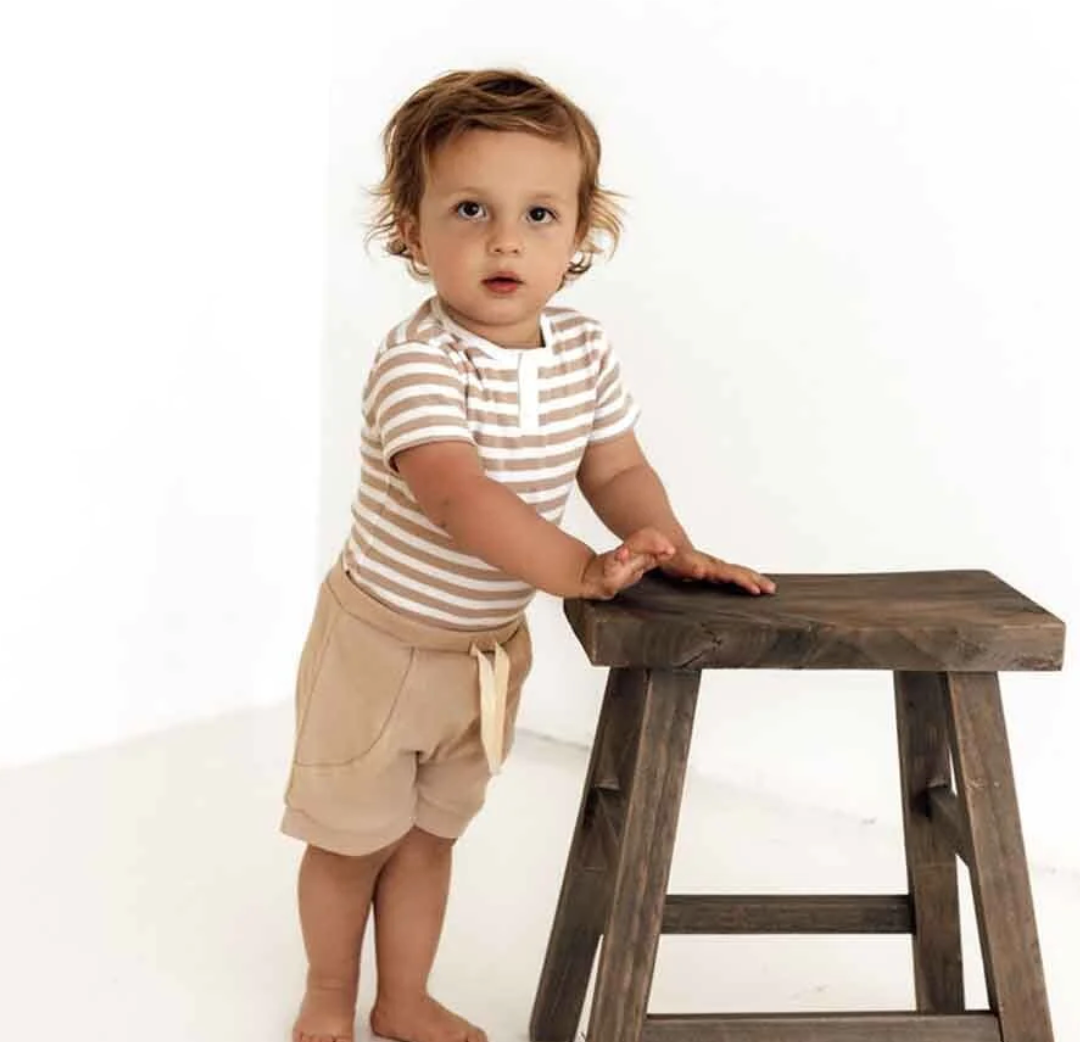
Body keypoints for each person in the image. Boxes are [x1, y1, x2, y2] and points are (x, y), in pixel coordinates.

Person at [281, 68, 776, 1042]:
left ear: (579, 236)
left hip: (485, 652)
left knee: (428, 837)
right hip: (380, 649)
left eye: (539, 214)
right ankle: (328, 998)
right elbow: (459, 496)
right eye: (471, 209)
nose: (505, 239)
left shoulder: (581, 350)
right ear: (413, 232)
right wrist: (583, 571)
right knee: (350, 841)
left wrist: (665, 544)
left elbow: (617, 465)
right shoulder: (420, 360)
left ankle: (403, 999)